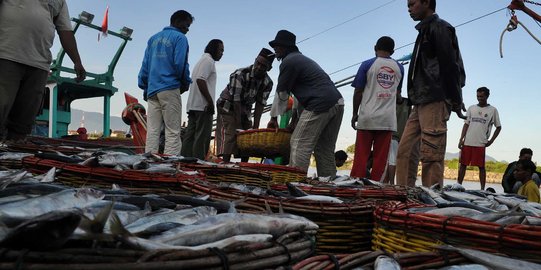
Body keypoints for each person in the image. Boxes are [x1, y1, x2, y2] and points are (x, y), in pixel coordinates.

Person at [396, 0, 466, 187]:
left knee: (431, 154)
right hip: (420, 99)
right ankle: (403, 193)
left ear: (426, 2)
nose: (409, 9)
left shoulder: (441, 28)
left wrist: (456, 99)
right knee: (405, 151)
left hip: (435, 96)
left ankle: (433, 198)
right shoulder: (424, 31)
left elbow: (451, 66)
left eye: (412, 4)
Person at [0, 0, 86, 143]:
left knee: (24, 119)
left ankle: (12, 153)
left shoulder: (60, 1)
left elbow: (65, 31)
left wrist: (77, 61)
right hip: (6, 55)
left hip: (38, 65)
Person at [267, 30, 344, 178]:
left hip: (320, 103)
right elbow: (301, 96)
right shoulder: (301, 60)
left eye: (278, 46)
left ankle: (296, 183)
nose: (275, 49)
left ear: (286, 47)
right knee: (324, 148)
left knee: (298, 143)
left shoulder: (288, 62)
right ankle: (328, 184)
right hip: (337, 102)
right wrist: (295, 120)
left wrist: (273, 118)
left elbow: (281, 94)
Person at [138, 10, 193, 156]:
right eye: (187, 25)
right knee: (173, 130)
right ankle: (170, 165)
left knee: (153, 130)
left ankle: (148, 162)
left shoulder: (153, 39)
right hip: (169, 88)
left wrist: (144, 85)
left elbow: (145, 67)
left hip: (152, 90)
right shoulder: (180, 38)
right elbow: (180, 64)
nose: (187, 29)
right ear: (178, 22)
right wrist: (185, 82)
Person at [350, 36, 404, 182]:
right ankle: (375, 187)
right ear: (393, 51)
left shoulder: (367, 65)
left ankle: (356, 185)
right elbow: (398, 96)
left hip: (367, 116)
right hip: (387, 120)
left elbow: (358, 92)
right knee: (380, 158)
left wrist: (355, 114)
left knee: (362, 155)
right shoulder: (399, 68)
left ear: (375, 47)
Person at [215, 48, 274, 163]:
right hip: (228, 105)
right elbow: (236, 100)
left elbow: (260, 105)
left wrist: (255, 128)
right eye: (258, 63)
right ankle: (225, 163)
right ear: (255, 60)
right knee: (231, 133)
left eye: (263, 66)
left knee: (248, 135)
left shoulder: (268, 82)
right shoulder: (240, 74)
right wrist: (239, 126)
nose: (259, 67)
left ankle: (243, 165)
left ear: (269, 68)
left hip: (245, 108)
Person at [181, 39, 224, 159]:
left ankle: (185, 161)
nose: (222, 53)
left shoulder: (201, 61)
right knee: (202, 138)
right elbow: (201, 80)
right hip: (203, 106)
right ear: (214, 49)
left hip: (193, 105)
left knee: (189, 137)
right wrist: (210, 102)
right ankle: (198, 164)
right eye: (221, 50)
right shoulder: (209, 61)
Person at [457, 87, 501, 190]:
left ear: (487, 96)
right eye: (478, 96)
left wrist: (491, 141)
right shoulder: (471, 108)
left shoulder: (493, 110)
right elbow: (466, 124)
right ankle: (458, 185)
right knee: (463, 165)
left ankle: (482, 189)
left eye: (481, 96)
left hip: (481, 142)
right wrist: (461, 139)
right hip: (468, 141)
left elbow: (498, 127)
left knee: (481, 167)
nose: (479, 98)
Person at [384, 95, 413, 185]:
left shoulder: (406, 103)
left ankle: (388, 182)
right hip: (393, 136)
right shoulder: (392, 102)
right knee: (392, 161)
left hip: (397, 136)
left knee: (390, 161)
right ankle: (391, 183)